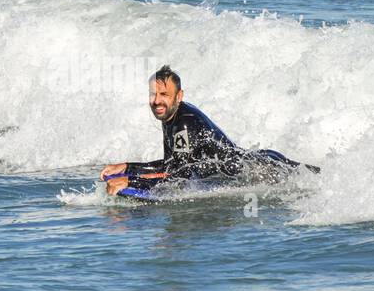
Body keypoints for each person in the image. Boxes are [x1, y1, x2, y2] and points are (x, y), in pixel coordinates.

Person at [99, 65, 317, 196]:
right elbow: (173, 164)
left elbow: (180, 177)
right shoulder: (170, 115)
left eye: (164, 94)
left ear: (179, 96)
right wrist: (127, 167)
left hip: (261, 169)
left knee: (317, 182)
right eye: (153, 94)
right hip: (258, 164)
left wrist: (132, 180)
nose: (157, 101)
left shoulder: (183, 123)